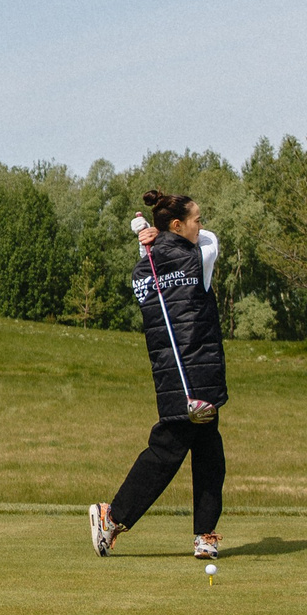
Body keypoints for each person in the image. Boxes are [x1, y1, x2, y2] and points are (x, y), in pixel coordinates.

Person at [91, 190, 228, 560]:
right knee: (168, 450)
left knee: (207, 450)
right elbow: (213, 241)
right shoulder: (199, 256)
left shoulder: (144, 265)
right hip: (197, 375)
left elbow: (157, 261)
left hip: (168, 375)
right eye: (196, 219)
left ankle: (204, 534)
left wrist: (151, 240)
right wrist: (165, 236)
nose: (201, 226)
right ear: (178, 225)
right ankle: (113, 516)